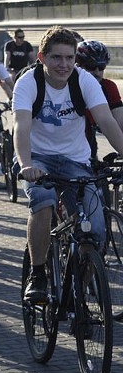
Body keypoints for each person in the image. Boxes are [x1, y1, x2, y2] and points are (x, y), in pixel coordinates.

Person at [13, 26, 123, 303]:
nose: (64, 65)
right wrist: (26, 165)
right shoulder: (28, 83)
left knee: (95, 232)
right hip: (38, 158)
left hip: (76, 160)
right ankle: (37, 274)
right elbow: (21, 127)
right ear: (42, 57)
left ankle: (78, 293)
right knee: (43, 202)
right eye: (56, 58)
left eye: (69, 58)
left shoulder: (84, 80)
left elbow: (107, 121)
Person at [75, 40, 123, 159]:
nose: (97, 72)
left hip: (89, 140)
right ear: (77, 65)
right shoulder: (68, 85)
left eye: (101, 67)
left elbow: (119, 121)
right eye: (91, 67)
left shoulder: (108, 87)